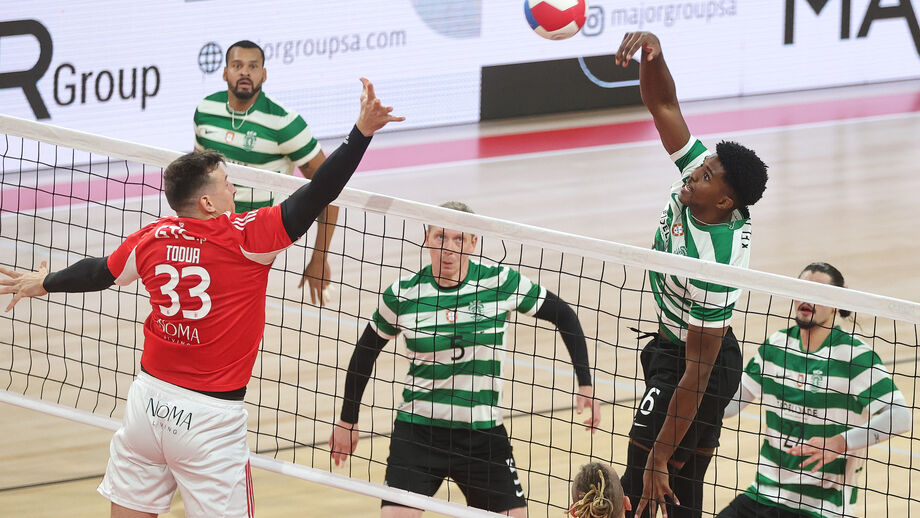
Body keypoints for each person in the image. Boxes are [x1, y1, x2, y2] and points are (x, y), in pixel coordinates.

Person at [0, 78, 403, 518]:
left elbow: (99, 272)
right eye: (228, 184)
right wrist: (360, 133)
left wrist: (46, 282)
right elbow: (320, 192)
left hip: (147, 404)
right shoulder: (247, 237)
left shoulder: (152, 238)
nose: (235, 190)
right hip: (209, 419)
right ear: (208, 202)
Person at [328, 201, 602, 517]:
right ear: (427, 238)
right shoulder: (403, 294)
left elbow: (564, 315)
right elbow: (364, 354)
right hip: (419, 434)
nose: (449, 248)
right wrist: (348, 420)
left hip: (481, 436)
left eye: (459, 239)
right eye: (441, 237)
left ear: (473, 242)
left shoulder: (498, 283)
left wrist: (585, 383)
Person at [612, 32, 769, 518]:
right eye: (700, 167)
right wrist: (653, 53)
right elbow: (662, 102)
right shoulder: (697, 179)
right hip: (677, 344)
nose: (693, 173)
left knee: (644, 479)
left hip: (701, 362)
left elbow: (697, 372)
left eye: (705, 176)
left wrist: (660, 453)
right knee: (676, 492)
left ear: (724, 201)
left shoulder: (714, 264)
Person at [716, 262, 910, 518]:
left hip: (821, 507)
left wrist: (840, 443)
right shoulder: (775, 347)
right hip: (763, 493)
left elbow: (901, 417)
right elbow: (729, 406)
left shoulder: (854, 357)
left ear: (836, 304)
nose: (807, 299)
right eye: (802, 289)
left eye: (818, 293)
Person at [193, 40, 334, 305]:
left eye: (253, 66)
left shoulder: (284, 123)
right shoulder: (205, 111)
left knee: (232, 307)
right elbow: (197, 179)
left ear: (264, 74)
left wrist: (319, 257)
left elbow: (329, 189)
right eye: (237, 66)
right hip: (212, 230)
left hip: (256, 236)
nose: (245, 72)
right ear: (225, 73)